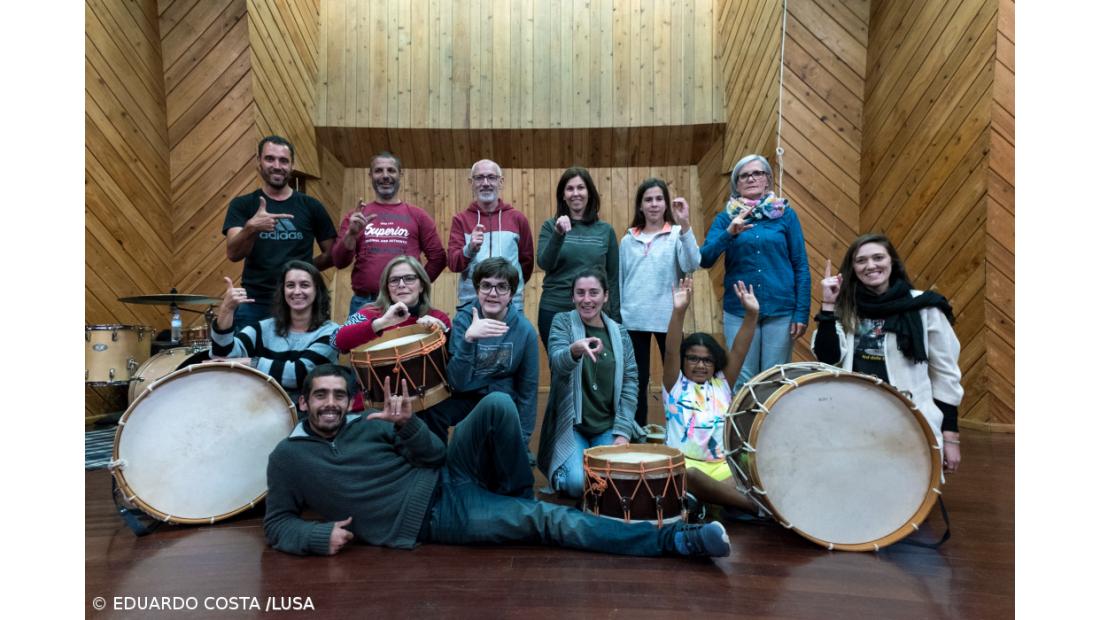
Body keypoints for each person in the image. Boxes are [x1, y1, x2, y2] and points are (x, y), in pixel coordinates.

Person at [263, 364, 731, 559]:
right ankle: (675, 542)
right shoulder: (288, 458)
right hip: (435, 515)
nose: (330, 403)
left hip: (447, 474)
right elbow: (278, 523)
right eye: (320, 396)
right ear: (303, 404)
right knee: (548, 521)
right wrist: (316, 534)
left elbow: (436, 455)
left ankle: (511, 499)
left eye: (338, 396)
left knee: (498, 403)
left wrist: (406, 426)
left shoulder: (371, 421)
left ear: (349, 401)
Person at [812, 233, 963, 474]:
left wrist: (951, 435)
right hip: (855, 417)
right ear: (853, 268)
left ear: (892, 262)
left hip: (910, 418)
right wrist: (828, 306)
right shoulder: (846, 306)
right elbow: (827, 357)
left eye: (878, 257)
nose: (870, 265)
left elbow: (946, 375)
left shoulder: (925, 306)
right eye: (861, 261)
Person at [700, 154, 810, 389]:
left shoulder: (786, 215)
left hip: (780, 310)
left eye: (757, 173)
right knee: (742, 379)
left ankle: (770, 427)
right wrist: (729, 232)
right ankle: (742, 426)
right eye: (744, 175)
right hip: (738, 311)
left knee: (775, 380)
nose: (751, 178)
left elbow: (800, 264)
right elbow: (705, 258)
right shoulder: (726, 217)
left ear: (768, 180)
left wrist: (801, 312)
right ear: (736, 184)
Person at [537, 267, 640, 499]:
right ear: (572, 296)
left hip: (608, 426)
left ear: (605, 295)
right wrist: (574, 350)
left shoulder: (620, 333)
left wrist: (623, 433)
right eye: (580, 293)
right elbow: (557, 363)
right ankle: (561, 473)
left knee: (619, 480)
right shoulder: (562, 322)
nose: (586, 299)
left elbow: (630, 382)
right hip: (573, 426)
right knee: (576, 484)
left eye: (593, 293)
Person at [662, 276, 760, 512]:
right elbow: (671, 348)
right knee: (692, 476)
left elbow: (740, 349)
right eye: (693, 358)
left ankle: (706, 500)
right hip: (685, 465)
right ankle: (754, 507)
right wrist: (679, 311)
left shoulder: (722, 383)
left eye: (707, 360)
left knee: (756, 465)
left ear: (715, 363)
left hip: (723, 468)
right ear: (684, 360)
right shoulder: (674, 384)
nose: (700, 365)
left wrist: (751, 315)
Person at [331, 255, 455, 439]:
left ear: (421, 285)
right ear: (387, 288)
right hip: (375, 404)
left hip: (425, 406)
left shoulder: (437, 318)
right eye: (394, 280)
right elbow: (336, 341)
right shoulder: (368, 313)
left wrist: (443, 331)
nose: (402, 284)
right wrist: (382, 322)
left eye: (409, 278)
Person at [223, 136, 338, 330]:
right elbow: (233, 254)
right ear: (258, 161)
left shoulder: (311, 206)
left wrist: (305, 268)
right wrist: (251, 228)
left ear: (292, 165)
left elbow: (333, 254)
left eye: (284, 161)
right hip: (255, 303)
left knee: (304, 359)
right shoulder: (242, 205)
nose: (277, 165)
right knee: (249, 360)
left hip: (300, 303)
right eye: (270, 159)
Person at [618, 178, 701, 426]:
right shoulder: (627, 240)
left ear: (666, 204)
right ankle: (636, 434)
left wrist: (685, 224)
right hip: (633, 320)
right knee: (636, 381)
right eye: (648, 199)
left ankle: (679, 431)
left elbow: (692, 264)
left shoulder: (677, 234)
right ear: (640, 206)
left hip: (669, 319)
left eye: (658, 199)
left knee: (676, 378)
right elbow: (621, 280)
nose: (654, 204)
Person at [330, 151, 446, 316]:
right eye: (379, 171)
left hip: (407, 304)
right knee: (362, 343)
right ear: (370, 175)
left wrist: (415, 288)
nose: (385, 176)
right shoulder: (356, 217)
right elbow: (339, 262)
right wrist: (351, 234)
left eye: (391, 170)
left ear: (400, 174)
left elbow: (438, 258)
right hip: (365, 303)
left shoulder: (418, 215)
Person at [211, 260, 340, 408]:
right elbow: (224, 356)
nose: (297, 291)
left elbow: (300, 374)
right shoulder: (264, 328)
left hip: (311, 414)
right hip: (263, 408)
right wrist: (227, 310)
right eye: (290, 285)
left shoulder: (331, 332)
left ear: (317, 291)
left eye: (304, 285)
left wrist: (250, 363)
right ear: (283, 291)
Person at [447, 257, 540, 447]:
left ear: (512, 293)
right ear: (477, 289)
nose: (493, 293)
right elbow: (456, 382)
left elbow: (528, 390)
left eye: (502, 287)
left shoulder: (524, 330)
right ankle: (438, 465)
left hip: (503, 399)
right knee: (433, 412)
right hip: (466, 396)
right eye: (486, 285)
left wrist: (522, 439)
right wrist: (469, 340)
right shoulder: (463, 321)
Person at [536, 167, 620, 353]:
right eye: (570, 188)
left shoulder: (605, 231)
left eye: (581, 188)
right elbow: (544, 263)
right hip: (555, 309)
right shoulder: (551, 226)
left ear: (589, 193)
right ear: (563, 195)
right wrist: (558, 234)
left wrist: (615, 319)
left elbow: (613, 278)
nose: (576, 193)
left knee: (593, 371)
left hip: (594, 312)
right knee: (561, 368)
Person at [447, 159, 535, 312]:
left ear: (500, 182)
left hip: (511, 304)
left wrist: (509, 287)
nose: (485, 183)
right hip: (471, 304)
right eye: (479, 178)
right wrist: (469, 249)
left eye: (491, 177)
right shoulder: (460, 220)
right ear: (471, 183)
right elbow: (453, 264)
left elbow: (526, 263)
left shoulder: (517, 218)